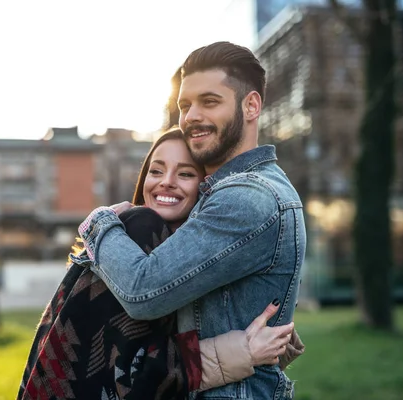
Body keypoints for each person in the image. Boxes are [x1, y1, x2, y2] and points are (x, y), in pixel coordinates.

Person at [78, 42, 307, 399]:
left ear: (251, 105)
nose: (191, 116)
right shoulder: (230, 193)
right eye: (185, 105)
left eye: (209, 102)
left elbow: (143, 291)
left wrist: (97, 223)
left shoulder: (248, 197)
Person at [18, 128, 302, 400]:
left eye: (186, 173)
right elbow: (135, 373)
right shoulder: (141, 229)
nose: (166, 181)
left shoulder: (162, 254)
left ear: (206, 189)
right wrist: (244, 352)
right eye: (156, 170)